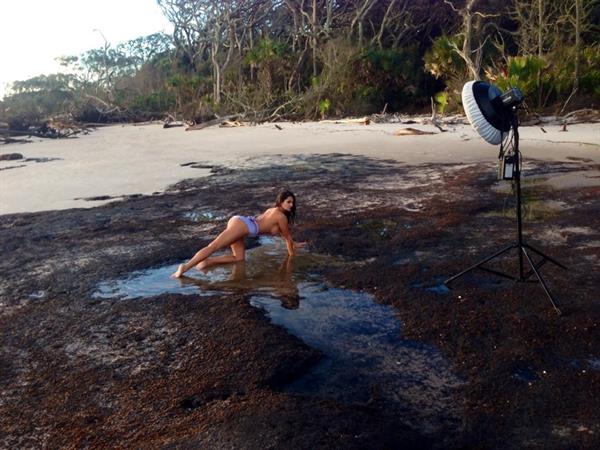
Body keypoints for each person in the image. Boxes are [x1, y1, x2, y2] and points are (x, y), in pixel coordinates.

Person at [171, 190, 302, 278]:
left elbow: (286, 238)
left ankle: (206, 263)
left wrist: (294, 244)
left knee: (239, 258)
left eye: (292, 202)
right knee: (213, 246)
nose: (291, 205)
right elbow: (287, 239)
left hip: (243, 223)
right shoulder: (281, 217)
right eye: (288, 202)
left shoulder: (272, 210)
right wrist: (291, 261)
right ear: (281, 202)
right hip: (243, 225)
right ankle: (185, 267)